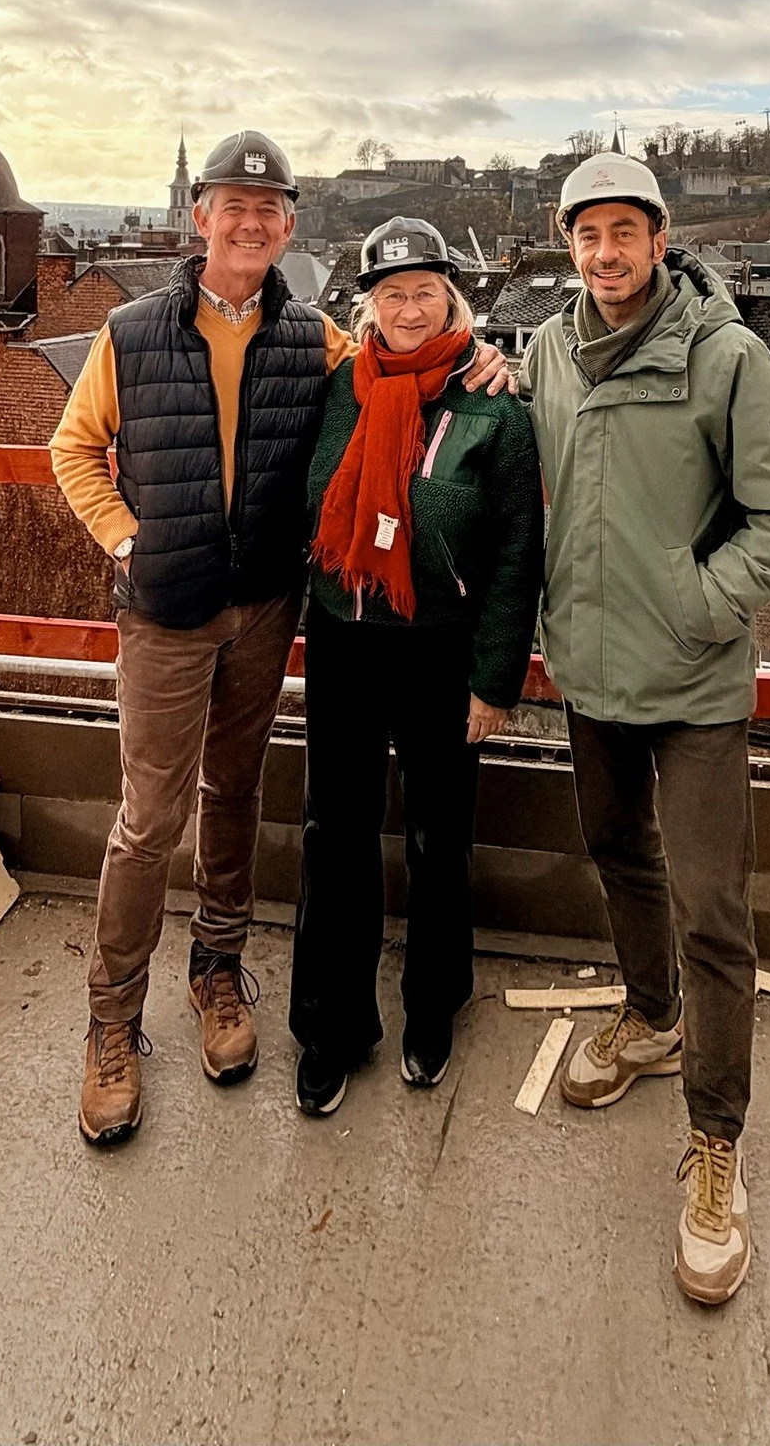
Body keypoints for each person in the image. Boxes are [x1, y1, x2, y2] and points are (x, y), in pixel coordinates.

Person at [50, 134, 510, 1147]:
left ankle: (218, 972)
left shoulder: (312, 338)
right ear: (200, 217)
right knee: (146, 814)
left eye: (269, 207)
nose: (251, 221)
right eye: (232, 203)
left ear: (290, 226)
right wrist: (128, 539)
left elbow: (402, 355)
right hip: (167, 612)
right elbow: (72, 447)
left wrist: (482, 355)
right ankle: (112, 1022)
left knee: (237, 791)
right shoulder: (129, 330)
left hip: (263, 606)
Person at [519, 151, 770, 1306]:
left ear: (659, 239)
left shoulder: (725, 355)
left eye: (624, 232)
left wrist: (700, 601)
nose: (604, 253)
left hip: (694, 681)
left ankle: (717, 1145)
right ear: (568, 242)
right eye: (585, 233)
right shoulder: (549, 351)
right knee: (618, 855)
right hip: (591, 672)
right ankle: (647, 1018)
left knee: (713, 909)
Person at [288, 218, 543, 1116]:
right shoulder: (338, 392)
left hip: (440, 645)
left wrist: (494, 680)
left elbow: (518, 551)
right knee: (335, 829)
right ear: (367, 306)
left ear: (451, 299)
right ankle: (331, 1024)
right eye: (390, 293)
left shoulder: (492, 407)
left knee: (439, 836)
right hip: (343, 636)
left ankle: (432, 1006)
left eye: (423, 292)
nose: (406, 308)